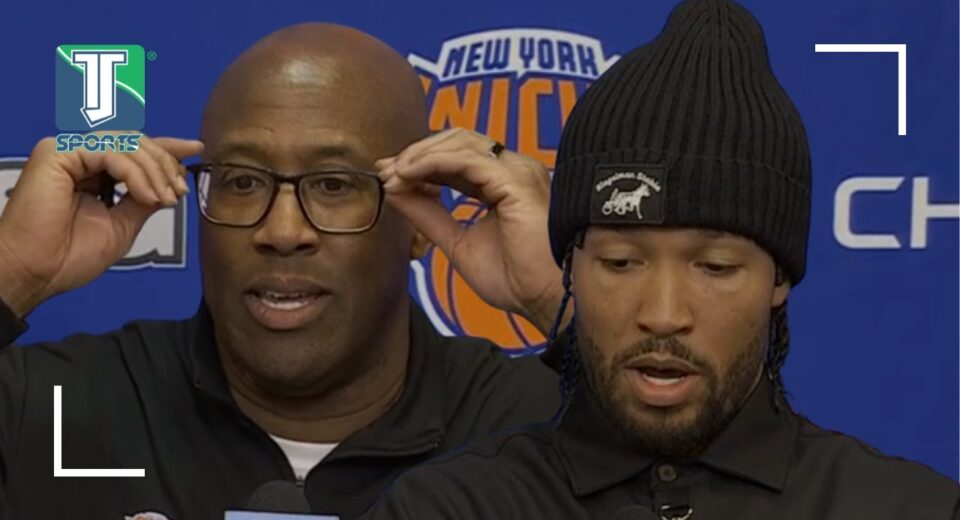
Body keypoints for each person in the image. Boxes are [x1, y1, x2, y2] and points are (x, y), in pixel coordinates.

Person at [365, 0, 960, 518]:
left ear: (778, 278)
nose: (664, 314)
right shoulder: (449, 508)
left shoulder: (910, 508)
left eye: (715, 267)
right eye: (620, 262)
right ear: (569, 267)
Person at [0, 24, 563, 520]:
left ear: (419, 221)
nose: (283, 231)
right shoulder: (58, 410)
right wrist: (13, 273)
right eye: (243, 182)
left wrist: (555, 299)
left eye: (334, 185)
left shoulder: (538, 425)